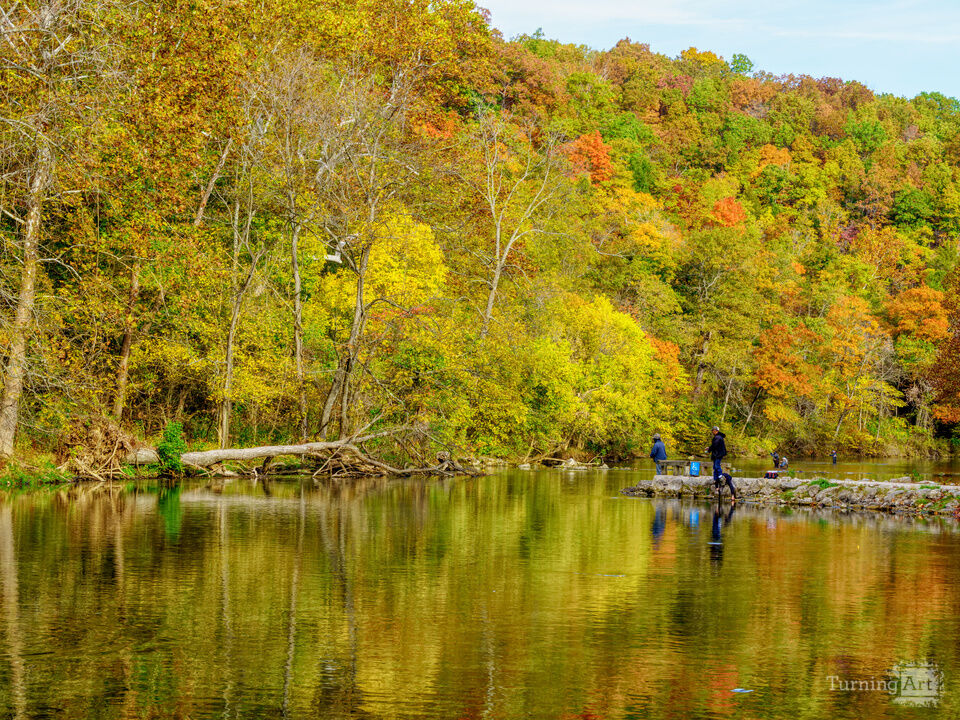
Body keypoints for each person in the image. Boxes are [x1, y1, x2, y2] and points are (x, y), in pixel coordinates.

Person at [708, 426, 737, 501]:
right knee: (715, 467)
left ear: (716, 431)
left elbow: (715, 446)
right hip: (717, 454)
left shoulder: (718, 438)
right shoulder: (719, 437)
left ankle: (720, 476)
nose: (712, 432)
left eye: (713, 431)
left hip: (718, 454)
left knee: (717, 466)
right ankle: (716, 479)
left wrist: (709, 449)